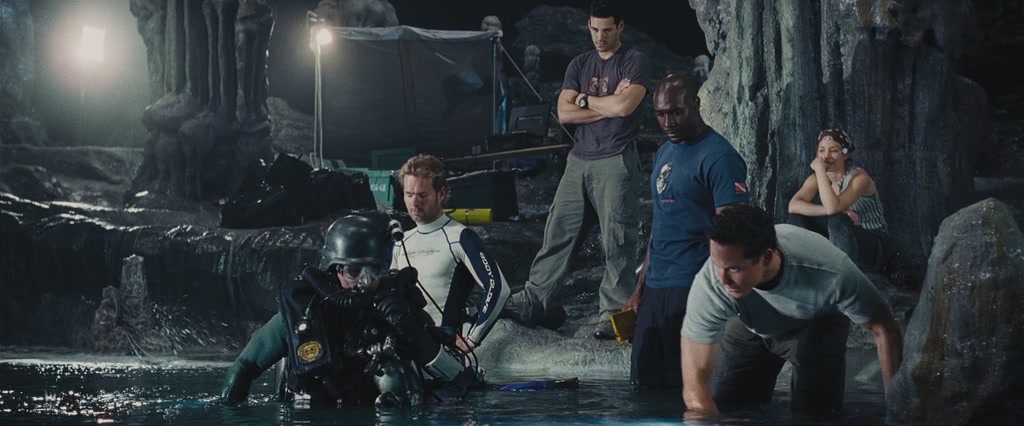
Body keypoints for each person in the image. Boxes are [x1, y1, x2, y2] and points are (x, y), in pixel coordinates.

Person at [220, 213, 478, 408]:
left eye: (374, 270)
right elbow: (245, 365)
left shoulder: (398, 308)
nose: (365, 282)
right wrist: (231, 413)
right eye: (354, 271)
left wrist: (409, 326)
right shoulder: (306, 311)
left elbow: (458, 379)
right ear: (335, 268)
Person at [505, 0, 651, 340]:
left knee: (618, 239)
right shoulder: (579, 64)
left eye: (607, 30)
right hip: (578, 159)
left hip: (616, 159)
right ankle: (536, 301)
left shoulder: (635, 60)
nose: (600, 37)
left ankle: (613, 314)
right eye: (594, 29)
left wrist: (584, 100)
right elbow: (564, 113)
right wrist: (603, 105)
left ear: (620, 27)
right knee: (558, 232)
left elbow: (625, 106)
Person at [680, 204, 903, 418]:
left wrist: (897, 413)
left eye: (734, 269)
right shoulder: (712, 281)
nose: (722, 279)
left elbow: (885, 329)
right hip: (752, 325)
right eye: (717, 265)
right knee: (726, 406)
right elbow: (694, 391)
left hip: (818, 323)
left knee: (815, 416)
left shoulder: (832, 272)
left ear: (766, 257)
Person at [622, 73, 749, 387]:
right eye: (660, 114)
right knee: (642, 384)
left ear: (695, 104)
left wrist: (720, 292)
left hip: (693, 284)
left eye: (676, 112)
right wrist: (639, 290)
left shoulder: (720, 157)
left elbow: (732, 231)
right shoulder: (664, 152)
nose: (668, 122)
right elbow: (661, 222)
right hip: (656, 285)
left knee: (686, 385)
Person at [391, 154, 511, 354]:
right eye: (409, 194)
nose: (414, 203)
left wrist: (472, 339)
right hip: (406, 350)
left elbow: (498, 288)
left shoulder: (459, 236)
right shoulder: (400, 241)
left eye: (422, 195)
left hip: (443, 352)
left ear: (441, 194)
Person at [787, 128, 894, 272]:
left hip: (874, 244)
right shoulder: (816, 179)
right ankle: (803, 269)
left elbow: (833, 208)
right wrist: (832, 211)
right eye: (821, 150)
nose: (826, 156)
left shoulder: (859, 178)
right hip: (841, 239)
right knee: (797, 217)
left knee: (837, 219)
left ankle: (843, 275)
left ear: (845, 154)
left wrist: (820, 170)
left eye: (833, 151)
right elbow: (793, 205)